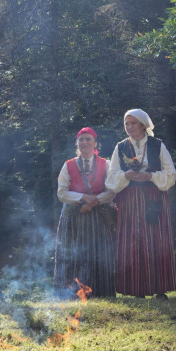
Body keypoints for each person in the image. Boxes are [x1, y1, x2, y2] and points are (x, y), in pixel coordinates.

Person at [105, 109, 176, 298]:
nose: (129, 127)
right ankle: (136, 289)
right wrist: (125, 175)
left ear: (143, 125)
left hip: (153, 199)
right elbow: (111, 176)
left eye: (133, 123)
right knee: (131, 242)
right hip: (129, 200)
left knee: (157, 241)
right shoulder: (120, 147)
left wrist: (150, 176)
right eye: (126, 124)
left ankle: (160, 288)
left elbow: (170, 174)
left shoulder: (157, 145)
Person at [54, 127, 116, 298]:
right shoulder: (68, 165)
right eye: (81, 139)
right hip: (73, 217)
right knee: (72, 253)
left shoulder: (107, 164)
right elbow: (62, 193)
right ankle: (70, 294)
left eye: (88, 139)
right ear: (77, 143)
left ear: (95, 143)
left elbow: (111, 191)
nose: (84, 142)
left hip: (98, 217)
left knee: (98, 252)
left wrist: (93, 202)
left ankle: (101, 292)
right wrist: (83, 197)